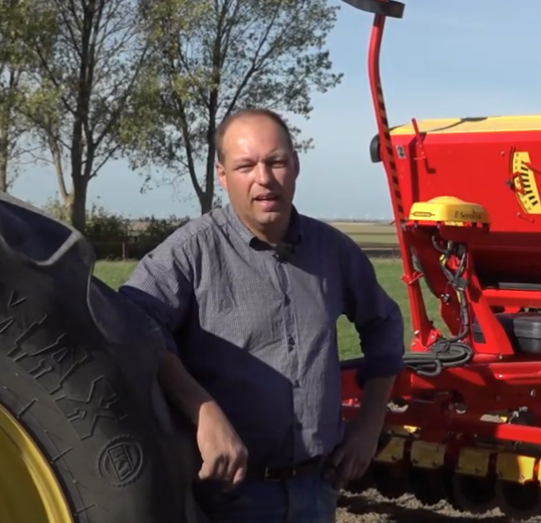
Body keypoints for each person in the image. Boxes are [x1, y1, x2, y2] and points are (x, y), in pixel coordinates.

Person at [118, 107, 405, 523]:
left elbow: (384, 324)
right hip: (227, 495)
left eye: (276, 162)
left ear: (296, 166)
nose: (264, 178)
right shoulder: (190, 253)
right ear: (222, 175)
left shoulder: (333, 251)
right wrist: (202, 409)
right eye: (246, 166)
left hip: (316, 488)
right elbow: (133, 320)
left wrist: (369, 425)